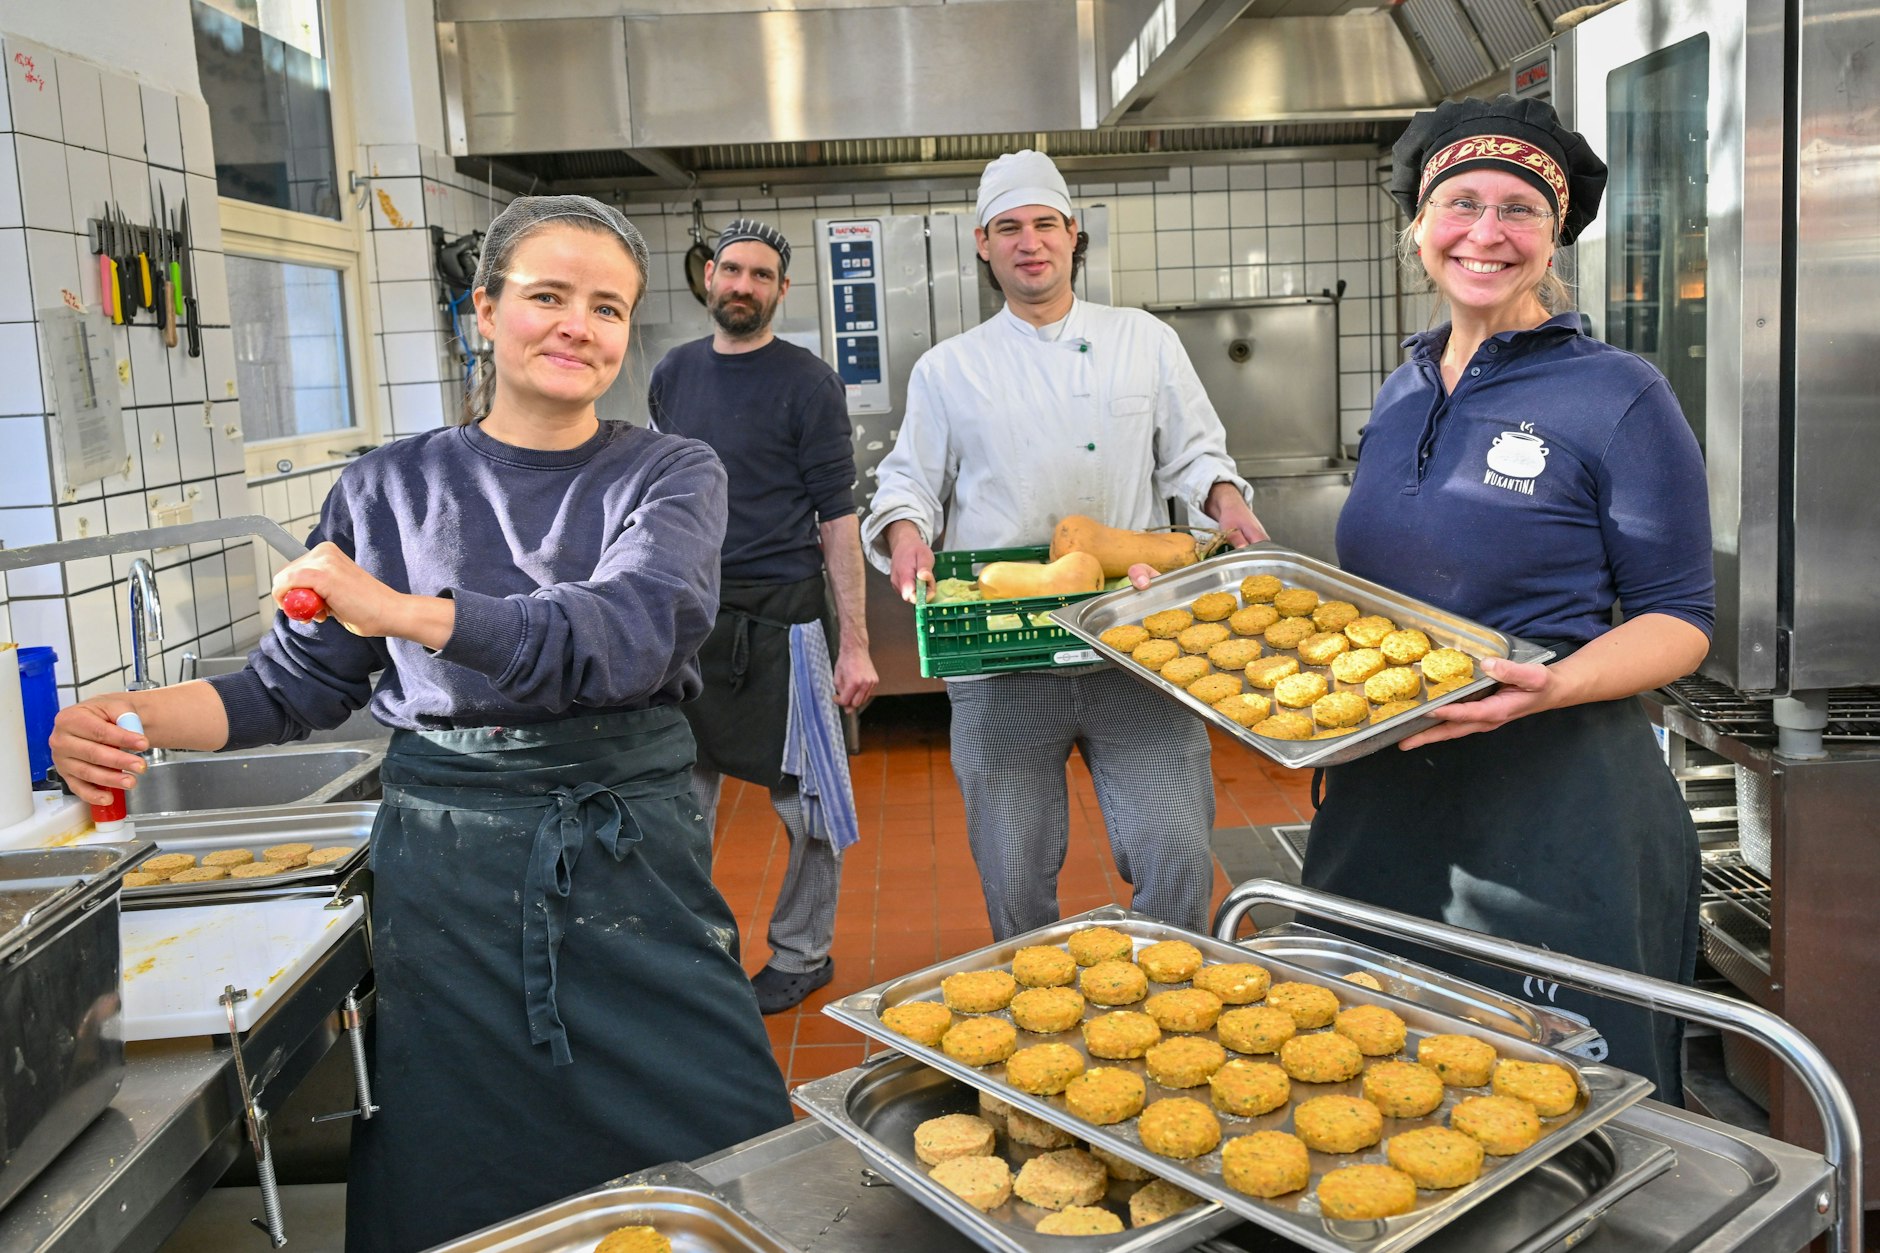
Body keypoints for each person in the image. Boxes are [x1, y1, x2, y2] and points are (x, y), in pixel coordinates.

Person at [49, 195, 792, 1253]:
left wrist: (403, 612)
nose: (577, 325)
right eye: (546, 296)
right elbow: (291, 686)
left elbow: (625, 632)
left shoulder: (668, 472)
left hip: (633, 870)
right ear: (484, 311)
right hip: (452, 892)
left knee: (730, 1143)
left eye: (607, 307)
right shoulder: (387, 487)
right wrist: (124, 716)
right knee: (463, 1178)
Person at [1301, 96, 1713, 1100]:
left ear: (1553, 235)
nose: (1484, 231)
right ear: (1416, 225)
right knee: (1370, 1075)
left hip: (1555, 807)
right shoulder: (1402, 390)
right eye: (1459, 202)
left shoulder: (1616, 392)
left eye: (1518, 208)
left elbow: (1678, 621)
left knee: (1563, 1093)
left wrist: (1550, 682)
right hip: (1385, 798)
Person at [864, 149, 1267, 941]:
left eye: (1045, 224)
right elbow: (908, 479)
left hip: (1134, 638)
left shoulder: (1141, 340)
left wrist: (1224, 501)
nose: (1029, 242)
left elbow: (1195, 454)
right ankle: (1034, 1027)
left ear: (1073, 234)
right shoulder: (950, 369)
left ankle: (1170, 995)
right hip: (1003, 652)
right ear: (983, 244)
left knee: (1177, 847)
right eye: (1008, 228)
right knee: (1012, 865)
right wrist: (907, 533)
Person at [649, 218, 877, 1013]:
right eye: (731, 270)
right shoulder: (673, 374)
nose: (742, 285)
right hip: (692, 618)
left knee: (810, 802)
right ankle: (691, 954)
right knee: (679, 805)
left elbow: (837, 518)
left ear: (781, 290)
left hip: (785, 619)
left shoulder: (807, 381)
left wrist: (856, 645)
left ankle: (802, 950)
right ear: (709, 278)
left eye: (760, 275)